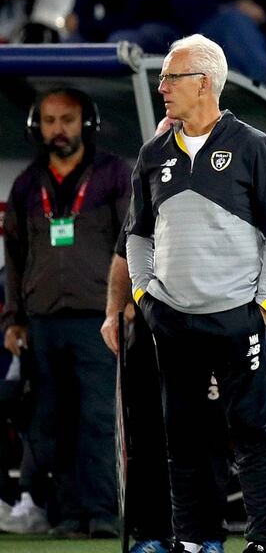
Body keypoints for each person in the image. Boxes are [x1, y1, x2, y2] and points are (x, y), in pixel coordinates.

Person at [125, 34, 266, 553]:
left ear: (203, 83)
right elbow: (137, 233)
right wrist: (143, 299)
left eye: (171, 77)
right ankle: (192, 540)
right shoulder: (153, 153)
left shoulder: (254, 146)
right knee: (184, 437)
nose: (161, 86)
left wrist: (261, 307)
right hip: (171, 320)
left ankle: (262, 541)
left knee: (249, 433)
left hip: (235, 319)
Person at [3, 87, 130, 539]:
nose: (59, 130)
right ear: (38, 126)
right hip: (42, 321)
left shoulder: (114, 175)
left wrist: (130, 303)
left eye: (68, 120)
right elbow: (14, 255)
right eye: (51, 120)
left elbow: (134, 242)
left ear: (87, 124)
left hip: (100, 317)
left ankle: (104, 514)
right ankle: (69, 514)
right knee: (52, 422)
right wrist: (12, 319)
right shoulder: (26, 184)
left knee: (98, 418)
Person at [103, 227, 231, 553]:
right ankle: (152, 533)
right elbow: (123, 255)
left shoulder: (228, 187)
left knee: (208, 436)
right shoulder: (148, 186)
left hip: (212, 323)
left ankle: (208, 536)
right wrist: (113, 310)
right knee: (148, 435)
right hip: (152, 328)